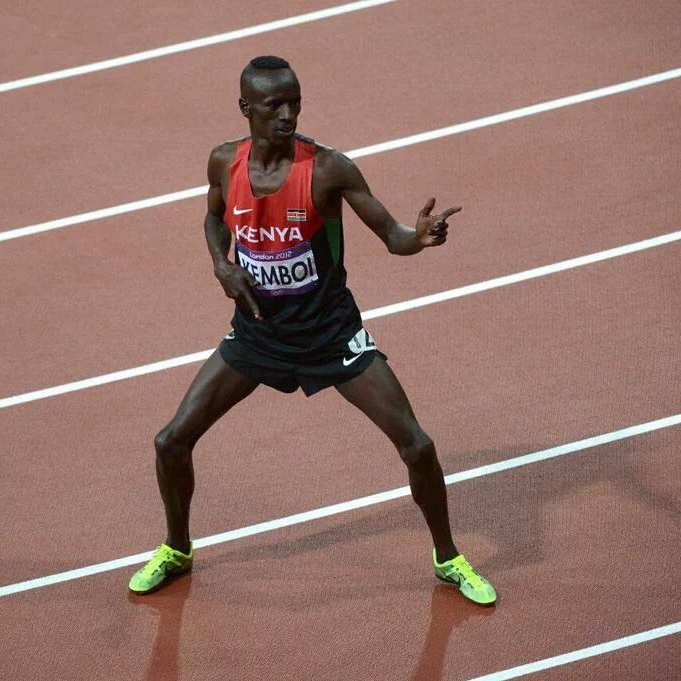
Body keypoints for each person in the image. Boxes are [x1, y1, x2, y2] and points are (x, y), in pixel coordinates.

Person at [129, 56, 495, 605]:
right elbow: (212, 217)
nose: (287, 114)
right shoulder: (224, 163)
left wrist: (418, 238)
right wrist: (222, 264)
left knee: (417, 446)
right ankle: (177, 548)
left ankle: (448, 557)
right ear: (245, 108)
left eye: (295, 101)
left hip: (331, 335)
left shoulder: (328, 169)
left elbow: (391, 236)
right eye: (274, 105)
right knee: (170, 441)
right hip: (258, 335)